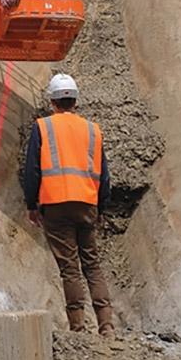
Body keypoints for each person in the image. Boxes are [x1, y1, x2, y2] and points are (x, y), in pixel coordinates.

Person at [22, 72, 116, 335]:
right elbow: (104, 174)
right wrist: (101, 207)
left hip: (55, 204)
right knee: (92, 264)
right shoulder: (92, 130)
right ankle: (106, 325)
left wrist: (31, 204)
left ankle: (78, 327)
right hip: (87, 203)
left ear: (52, 101)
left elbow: (32, 170)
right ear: (75, 101)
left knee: (69, 267)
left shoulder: (43, 127)